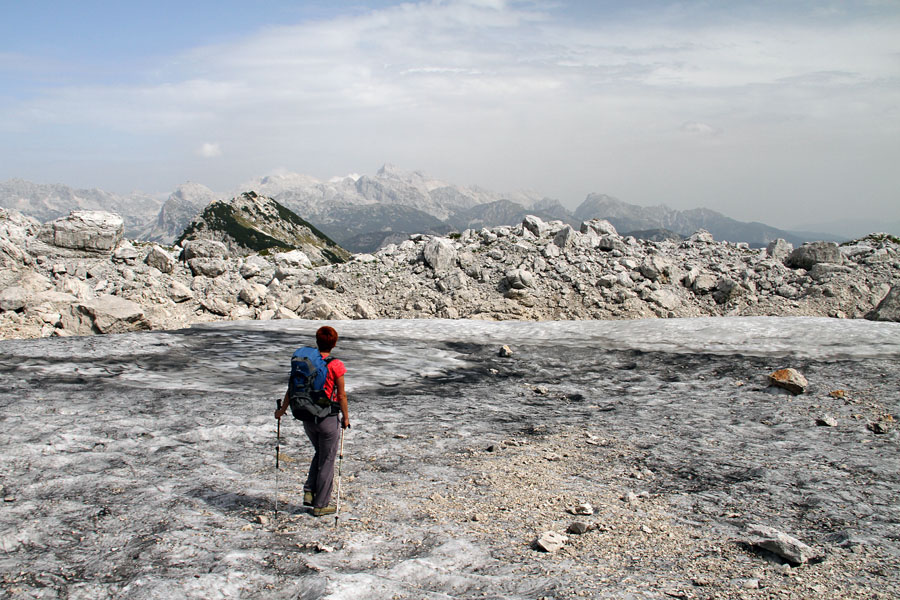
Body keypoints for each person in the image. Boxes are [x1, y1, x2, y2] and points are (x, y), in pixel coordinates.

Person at [275, 325, 349, 517]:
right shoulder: (335, 365)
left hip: (307, 417)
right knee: (327, 459)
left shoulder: (307, 364)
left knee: (320, 453)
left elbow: (292, 388)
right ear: (334, 343)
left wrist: (282, 410)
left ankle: (309, 491)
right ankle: (321, 504)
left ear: (317, 341)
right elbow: (341, 395)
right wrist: (346, 418)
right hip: (327, 418)